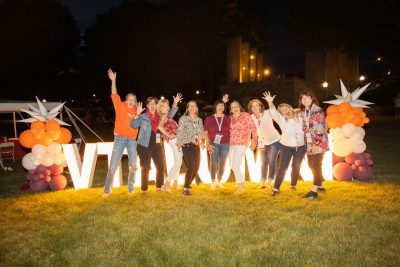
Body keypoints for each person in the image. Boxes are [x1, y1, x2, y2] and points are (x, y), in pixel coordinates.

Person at [130, 94, 181, 192]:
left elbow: (169, 114)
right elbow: (133, 125)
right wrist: (137, 114)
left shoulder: (160, 115)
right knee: (145, 167)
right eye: (150, 104)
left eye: (154, 103)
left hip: (157, 144)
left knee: (161, 166)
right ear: (147, 106)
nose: (152, 106)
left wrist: (175, 103)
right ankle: (144, 189)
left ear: (157, 105)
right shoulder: (143, 116)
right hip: (144, 145)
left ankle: (159, 186)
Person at [103, 68, 138, 197]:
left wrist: (138, 114)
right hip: (119, 139)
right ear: (126, 100)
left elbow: (138, 124)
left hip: (132, 141)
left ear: (135, 102)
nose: (131, 101)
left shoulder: (137, 111)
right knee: (112, 166)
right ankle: (107, 190)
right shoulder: (120, 106)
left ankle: (130, 188)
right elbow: (114, 93)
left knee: (133, 165)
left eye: (133, 100)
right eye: (129, 99)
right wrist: (113, 80)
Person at [263, 91, 306, 196]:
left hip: (300, 147)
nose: (285, 111)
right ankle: (276, 188)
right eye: (283, 110)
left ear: (290, 108)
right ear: (281, 114)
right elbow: (273, 112)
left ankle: (293, 185)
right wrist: (270, 102)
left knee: (296, 166)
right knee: (283, 167)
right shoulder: (281, 120)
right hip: (286, 147)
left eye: (287, 108)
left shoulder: (300, 117)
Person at [299, 91, 329, 199]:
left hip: (318, 143)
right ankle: (320, 185)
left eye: (307, 98)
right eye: (303, 98)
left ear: (312, 99)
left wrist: (316, 144)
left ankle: (314, 192)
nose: (305, 100)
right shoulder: (304, 112)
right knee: (311, 165)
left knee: (316, 165)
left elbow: (320, 128)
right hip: (309, 143)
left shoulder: (318, 111)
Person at [248, 98, 281, 189]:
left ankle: (270, 181)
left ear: (260, 106)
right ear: (250, 109)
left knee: (271, 161)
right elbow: (249, 130)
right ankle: (262, 182)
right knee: (263, 162)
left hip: (275, 140)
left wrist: (270, 102)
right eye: (252, 106)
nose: (254, 107)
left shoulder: (267, 113)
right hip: (262, 142)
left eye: (256, 105)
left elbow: (273, 110)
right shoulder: (251, 118)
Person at [176, 101, 205, 196]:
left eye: (194, 106)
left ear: (197, 108)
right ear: (187, 108)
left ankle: (188, 183)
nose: (192, 107)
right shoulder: (183, 118)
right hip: (187, 145)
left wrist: (201, 141)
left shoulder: (199, 120)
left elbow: (201, 132)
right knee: (191, 167)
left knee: (196, 167)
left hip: (196, 146)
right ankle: (186, 188)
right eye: (189, 106)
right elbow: (179, 131)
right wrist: (179, 142)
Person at [229, 100, 257, 193]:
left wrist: (254, 142)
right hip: (232, 144)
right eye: (232, 107)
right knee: (232, 165)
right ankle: (240, 181)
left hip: (242, 143)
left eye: (236, 106)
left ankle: (240, 186)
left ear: (239, 107)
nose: (235, 108)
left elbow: (253, 128)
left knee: (236, 165)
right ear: (231, 110)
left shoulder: (245, 115)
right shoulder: (231, 118)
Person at [204, 94, 230, 190]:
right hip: (213, 143)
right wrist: (208, 144)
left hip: (225, 143)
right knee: (213, 162)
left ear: (224, 108)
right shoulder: (209, 119)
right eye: (219, 105)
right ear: (215, 107)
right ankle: (213, 181)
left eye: (222, 106)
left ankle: (219, 181)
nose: (220, 107)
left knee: (223, 163)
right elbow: (205, 133)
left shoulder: (228, 118)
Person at [157, 98, 182, 192]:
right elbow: (159, 126)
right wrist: (168, 135)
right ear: (160, 108)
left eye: (167, 105)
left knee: (178, 160)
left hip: (176, 139)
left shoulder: (166, 115)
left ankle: (175, 182)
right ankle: (166, 184)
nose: (166, 107)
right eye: (164, 106)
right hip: (174, 140)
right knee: (177, 162)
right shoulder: (163, 116)